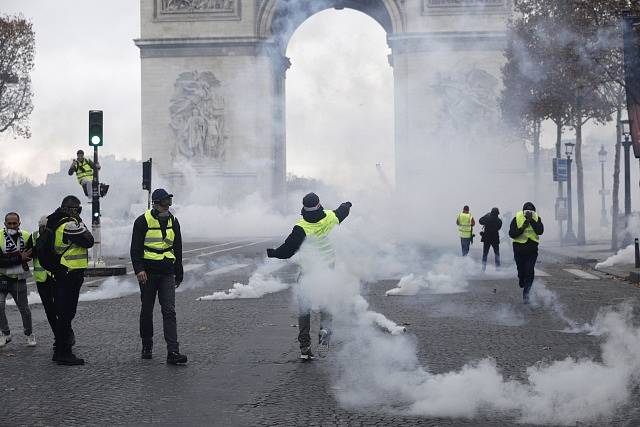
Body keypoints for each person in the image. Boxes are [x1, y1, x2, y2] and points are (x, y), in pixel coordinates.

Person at [266, 192, 352, 360]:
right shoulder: (330, 217)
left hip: (308, 272)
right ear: (319, 204)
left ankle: (305, 347)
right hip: (328, 271)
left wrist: (273, 253)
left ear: (303, 208)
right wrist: (347, 204)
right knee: (327, 306)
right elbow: (342, 211)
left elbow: (287, 251)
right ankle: (324, 337)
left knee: (304, 307)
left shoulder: (301, 227)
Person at [130, 188, 187, 365]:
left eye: (169, 203)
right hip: (148, 273)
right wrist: (139, 270)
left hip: (167, 272)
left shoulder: (173, 221)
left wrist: (179, 272)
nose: (167, 207)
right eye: (164, 203)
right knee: (147, 311)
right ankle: (147, 345)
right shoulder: (142, 221)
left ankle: (173, 352)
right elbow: (135, 250)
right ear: (155, 204)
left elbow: (177, 248)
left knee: (169, 311)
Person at [48, 195, 94, 365]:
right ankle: (64, 352)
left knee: (64, 314)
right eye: (78, 210)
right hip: (70, 273)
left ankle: (59, 350)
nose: (79, 213)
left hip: (62, 272)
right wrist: (81, 224)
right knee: (67, 314)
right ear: (72, 209)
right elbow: (89, 241)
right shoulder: (68, 224)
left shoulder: (54, 221)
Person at [0, 212, 36, 347]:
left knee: (24, 309)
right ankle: (5, 333)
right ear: (4, 224)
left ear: (19, 223)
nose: (12, 225)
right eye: (9, 223)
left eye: (14, 223)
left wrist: (13, 258)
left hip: (19, 279)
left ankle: (29, 333)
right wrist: (18, 257)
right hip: (2, 278)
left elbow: (30, 255)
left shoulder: (27, 236)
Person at [509, 202, 544, 304]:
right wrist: (522, 227)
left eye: (531, 211)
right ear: (523, 211)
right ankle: (521, 279)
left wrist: (531, 220)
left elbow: (540, 231)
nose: (529, 213)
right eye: (527, 211)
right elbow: (512, 234)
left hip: (532, 250)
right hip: (519, 249)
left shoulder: (536, 218)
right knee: (521, 271)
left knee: (529, 271)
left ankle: (526, 294)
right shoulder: (517, 218)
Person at [32, 216, 58, 342]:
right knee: (50, 309)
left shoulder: (55, 234)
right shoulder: (34, 236)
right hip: (42, 279)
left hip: (54, 277)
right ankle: (59, 335)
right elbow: (29, 252)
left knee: (58, 308)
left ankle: (62, 334)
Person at [479, 207, 502, 272]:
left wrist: (486, 215)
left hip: (486, 238)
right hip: (495, 239)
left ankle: (483, 269)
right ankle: (498, 269)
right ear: (497, 213)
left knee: (485, 254)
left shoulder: (487, 218)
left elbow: (480, 221)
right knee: (497, 254)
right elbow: (499, 227)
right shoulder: (499, 221)